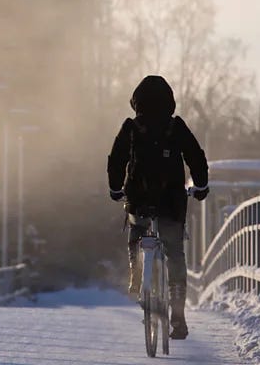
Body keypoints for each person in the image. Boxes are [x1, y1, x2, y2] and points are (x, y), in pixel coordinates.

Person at [106, 75, 209, 340]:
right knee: (174, 252)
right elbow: (195, 155)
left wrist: (115, 188)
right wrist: (201, 186)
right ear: (169, 102)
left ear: (136, 102)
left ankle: (137, 273)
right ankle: (178, 315)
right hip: (171, 201)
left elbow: (116, 158)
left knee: (136, 232)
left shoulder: (131, 127)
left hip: (138, 199)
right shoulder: (175, 127)